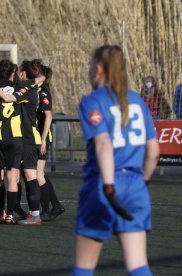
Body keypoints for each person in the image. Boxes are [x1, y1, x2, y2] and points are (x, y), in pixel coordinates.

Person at [73, 45, 159, 275]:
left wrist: (110, 188)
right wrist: (143, 181)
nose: (90, 70)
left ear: (99, 68)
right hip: (135, 186)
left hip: (103, 185)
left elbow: (103, 145)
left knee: (84, 267)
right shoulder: (138, 102)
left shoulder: (93, 101)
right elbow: (153, 151)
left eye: (91, 65)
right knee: (138, 265)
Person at [0, 59, 45, 225]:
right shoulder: (27, 86)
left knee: (30, 175)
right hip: (24, 138)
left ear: (23, 73)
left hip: (28, 138)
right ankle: (22, 212)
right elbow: (39, 78)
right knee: (21, 176)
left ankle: (35, 215)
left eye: (20, 70)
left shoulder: (26, 90)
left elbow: (6, 97)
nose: (17, 73)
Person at [36, 64, 65, 221]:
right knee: (40, 173)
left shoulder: (44, 91)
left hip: (42, 138)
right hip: (37, 137)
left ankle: (46, 211)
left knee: (38, 173)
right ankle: (56, 205)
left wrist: (43, 139)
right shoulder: (36, 89)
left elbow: (48, 116)